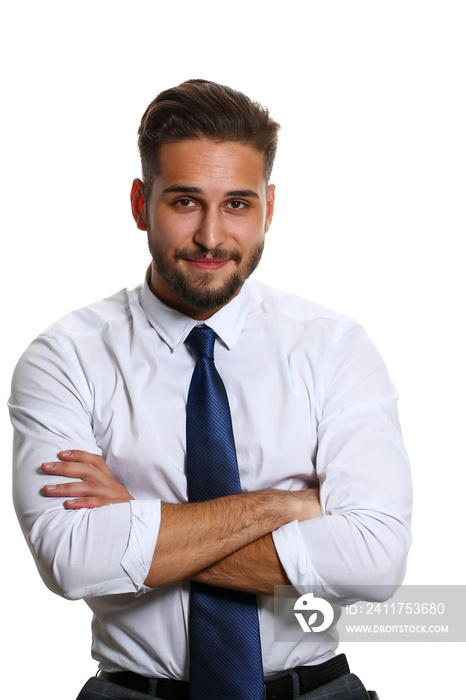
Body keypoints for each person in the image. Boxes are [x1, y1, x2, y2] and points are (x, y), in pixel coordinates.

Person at [9, 79, 412, 700]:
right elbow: (73, 559)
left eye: (238, 205)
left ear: (269, 207)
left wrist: (137, 523)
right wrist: (288, 506)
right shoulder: (66, 358)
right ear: (141, 202)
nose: (212, 237)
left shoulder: (333, 348)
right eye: (186, 202)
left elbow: (375, 561)